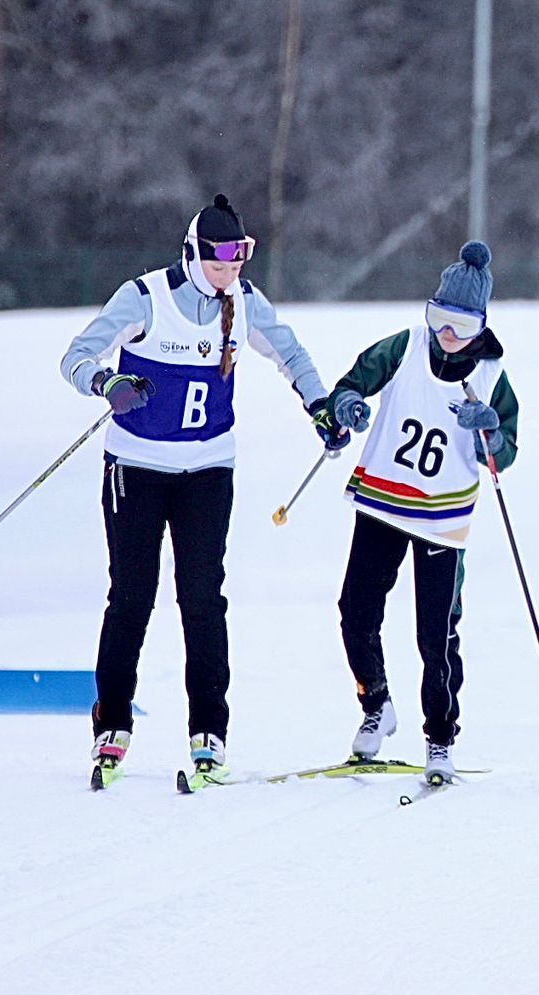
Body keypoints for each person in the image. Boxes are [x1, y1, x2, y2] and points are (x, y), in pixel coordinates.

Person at [61, 194, 348, 788]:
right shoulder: (145, 298)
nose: (230, 276)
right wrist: (106, 381)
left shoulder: (243, 303)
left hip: (209, 472)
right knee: (132, 597)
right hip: (135, 470)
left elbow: (290, 353)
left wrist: (319, 404)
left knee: (202, 599)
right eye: (220, 265)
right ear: (194, 257)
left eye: (238, 263)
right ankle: (112, 727)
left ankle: (209, 733)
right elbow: (76, 356)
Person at [324, 240, 519, 784]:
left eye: (459, 325)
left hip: (443, 518)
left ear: (480, 325)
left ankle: (440, 738)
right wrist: (347, 405)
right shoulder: (406, 346)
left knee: (436, 635)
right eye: (439, 319)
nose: (446, 335)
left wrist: (489, 430)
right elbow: (355, 381)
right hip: (382, 500)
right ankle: (376, 704)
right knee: (355, 611)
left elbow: (505, 453)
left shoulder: (490, 375)